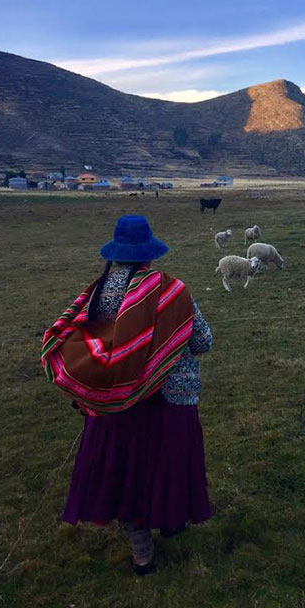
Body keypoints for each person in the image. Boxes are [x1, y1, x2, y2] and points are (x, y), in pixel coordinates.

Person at [45, 215, 212, 574]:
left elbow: (84, 336)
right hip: (169, 397)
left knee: (126, 471)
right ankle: (170, 520)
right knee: (166, 463)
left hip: (118, 401)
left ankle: (141, 551)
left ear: (116, 253)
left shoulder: (96, 293)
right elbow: (203, 340)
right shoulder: (172, 290)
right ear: (148, 253)